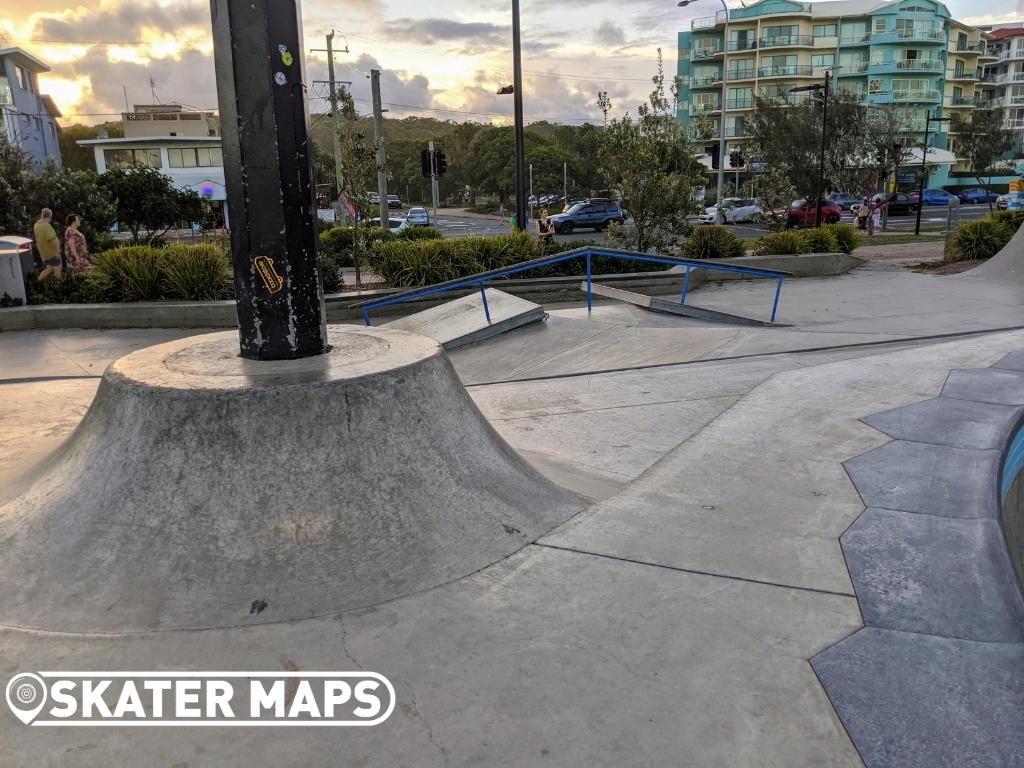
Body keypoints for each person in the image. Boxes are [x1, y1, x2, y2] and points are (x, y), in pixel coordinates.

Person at [34, 208, 62, 281]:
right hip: (51, 252)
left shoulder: (37, 224)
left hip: (44, 252)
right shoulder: (46, 226)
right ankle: (58, 285)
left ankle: (38, 282)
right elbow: (51, 241)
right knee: (57, 267)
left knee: (49, 268)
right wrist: (56, 252)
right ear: (50, 217)